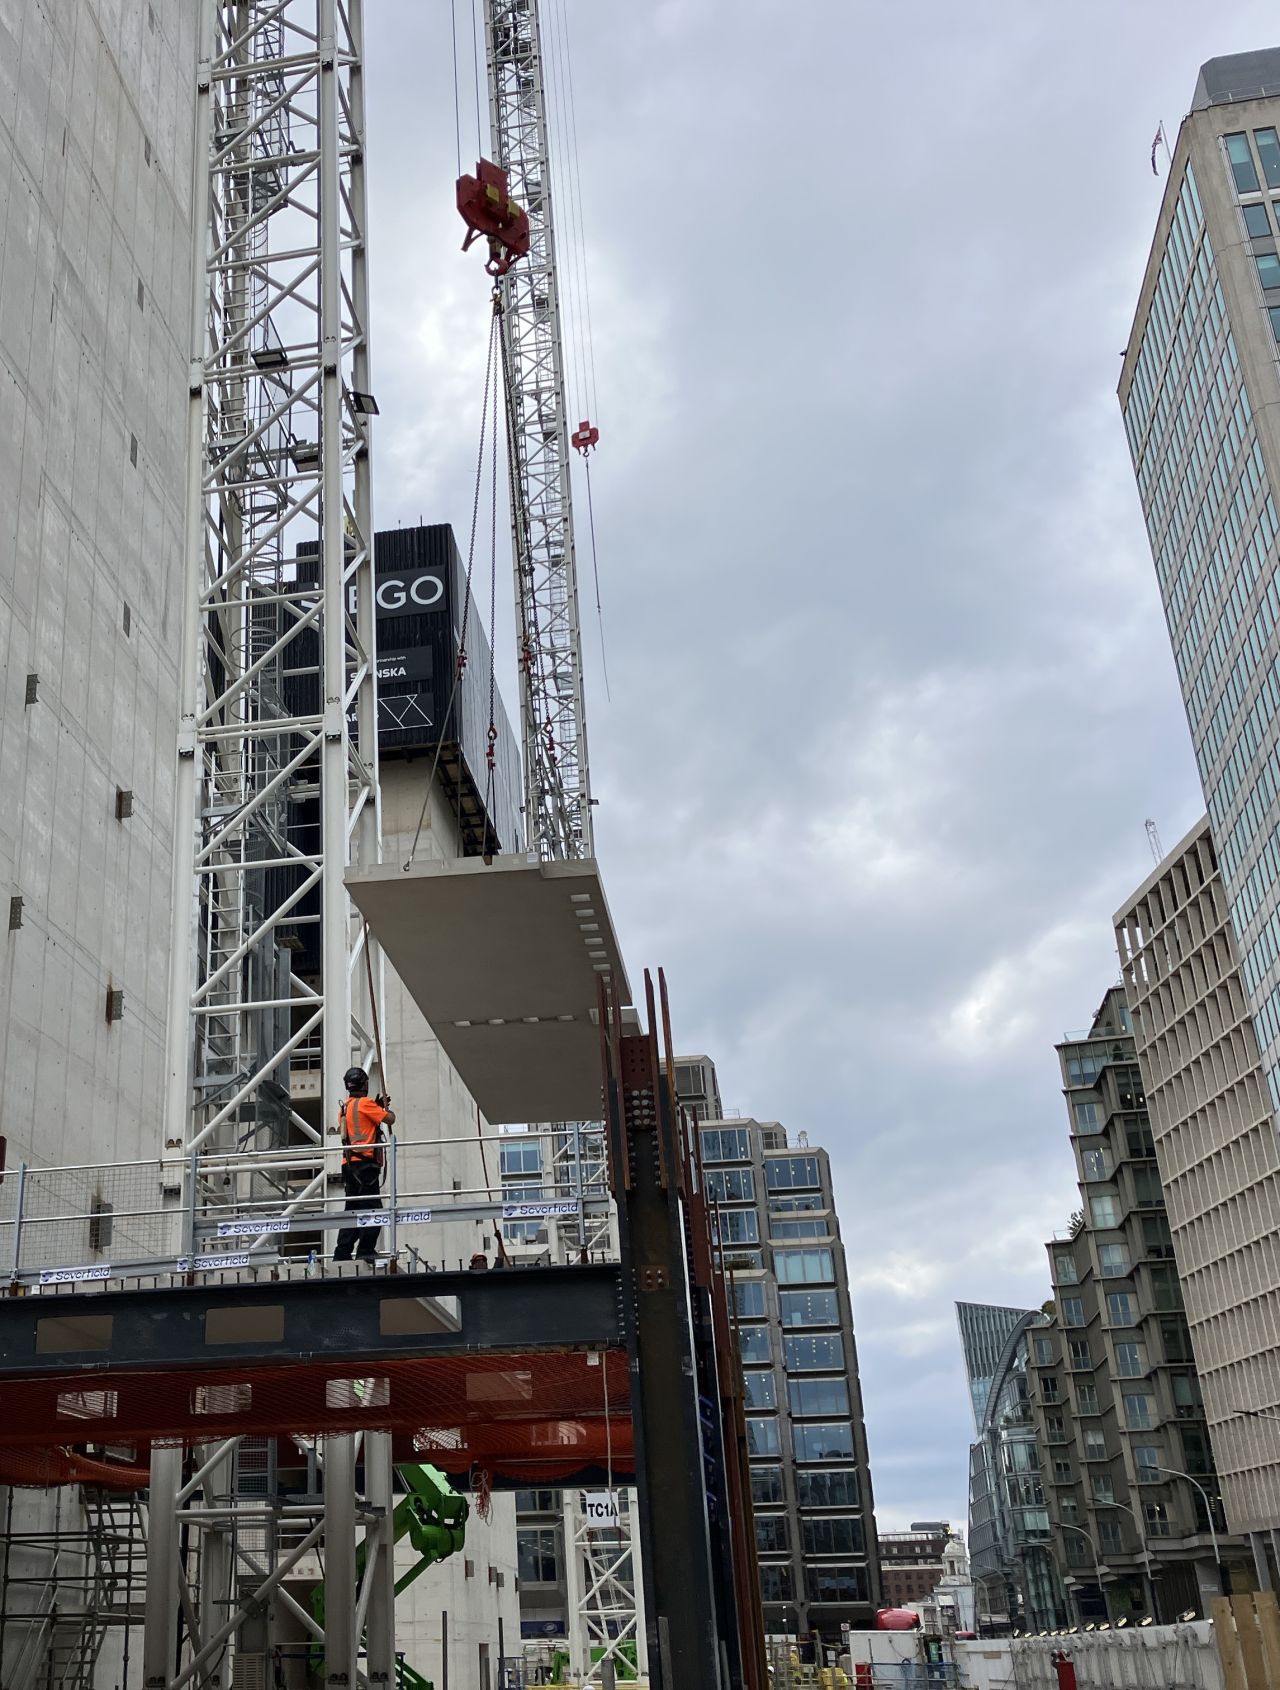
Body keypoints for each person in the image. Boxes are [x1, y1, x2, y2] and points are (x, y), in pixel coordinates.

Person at [333, 1067, 394, 1263]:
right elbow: (390, 1119)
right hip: (365, 1165)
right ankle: (365, 1249)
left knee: (352, 1208)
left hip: (349, 1164)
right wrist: (383, 1108)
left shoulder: (344, 1108)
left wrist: (376, 1107)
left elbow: (359, 1122)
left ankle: (342, 1253)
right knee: (373, 1208)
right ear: (365, 1084)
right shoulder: (366, 1104)